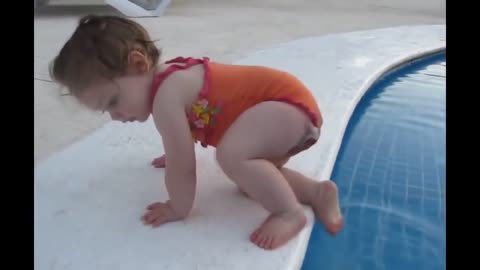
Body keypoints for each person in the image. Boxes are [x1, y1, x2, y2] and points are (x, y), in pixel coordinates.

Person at [50, 14, 343, 250]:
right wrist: (177, 145)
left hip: (286, 107)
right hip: (285, 111)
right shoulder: (168, 83)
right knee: (250, 179)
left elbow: (184, 167)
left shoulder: (167, 97)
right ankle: (316, 192)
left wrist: (177, 207)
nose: (115, 116)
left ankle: (289, 214)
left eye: (113, 101)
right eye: (106, 110)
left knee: (232, 157)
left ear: (139, 65)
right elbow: (189, 127)